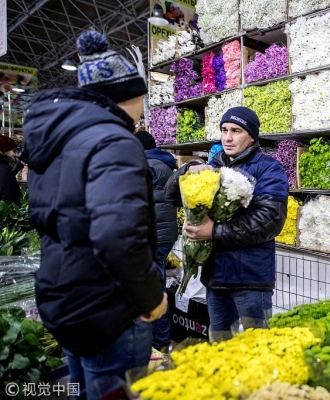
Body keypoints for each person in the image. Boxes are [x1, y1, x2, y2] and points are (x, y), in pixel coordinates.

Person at [21, 30, 167, 399]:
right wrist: (151, 296)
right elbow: (118, 236)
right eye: (142, 97)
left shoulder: (54, 144)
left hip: (65, 296)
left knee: (83, 389)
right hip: (110, 306)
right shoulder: (115, 141)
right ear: (127, 97)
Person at [165, 106, 288, 338]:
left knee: (258, 347)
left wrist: (214, 232)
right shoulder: (213, 165)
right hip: (215, 279)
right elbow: (170, 196)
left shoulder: (269, 169)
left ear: (252, 136)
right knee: (220, 343)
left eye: (236, 130)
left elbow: (270, 221)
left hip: (250, 279)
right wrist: (189, 168)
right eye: (224, 130)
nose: (228, 137)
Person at [134, 130, 178, 350]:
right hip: (164, 234)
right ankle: (159, 340)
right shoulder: (166, 164)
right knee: (156, 285)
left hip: (154, 236)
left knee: (154, 289)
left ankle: (159, 342)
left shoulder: (148, 166)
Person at [0, 135, 21, 204]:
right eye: (13, 150)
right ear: (3, 151)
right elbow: (7, 194)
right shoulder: (3, 168)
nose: (15, 154)